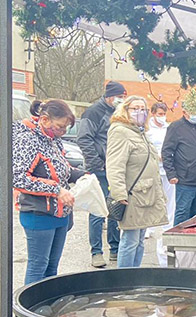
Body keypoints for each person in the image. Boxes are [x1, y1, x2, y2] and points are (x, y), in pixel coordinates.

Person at [13, 100, 83, 284]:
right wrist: (56, 190)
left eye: (66, 128)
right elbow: (19, 178)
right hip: (38, 213)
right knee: (38, 266)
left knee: (52, 267)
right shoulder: (26, 140)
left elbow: (63, 170)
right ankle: (28, 310)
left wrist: (82, 176)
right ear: (44, 120)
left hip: (61, 213)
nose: (62, 132)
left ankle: (47, 308)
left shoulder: (54, 141)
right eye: (60, 127)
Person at [106, 96, 168, 268]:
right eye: (135, 108)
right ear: (125, 110)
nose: (140, 112)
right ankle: (124, 278)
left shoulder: (140, 132)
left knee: (140, 240)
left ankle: (135, 274)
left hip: (145, 194)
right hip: (132, 195)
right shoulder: (120, 131)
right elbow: (115, 164)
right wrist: (119, 193)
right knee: (130, 240)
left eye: (143, 108)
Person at [77, 80, 127, 268]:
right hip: (99, 169)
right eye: (119, 96)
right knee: (97, 210)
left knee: (114, 210)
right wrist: (97, 164)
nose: (121, 99)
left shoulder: (119, 113)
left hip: (115, 169)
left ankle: (115, 248)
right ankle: (96, 252)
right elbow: (84, 139)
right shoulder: (93, 112)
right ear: (109, 96)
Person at [162, 94, 196, 226]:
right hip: (185, 179)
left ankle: (193, 240)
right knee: (183, 211)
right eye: (192, 111)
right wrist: (171, 173)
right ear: (184, 112)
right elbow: (167, 151)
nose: (195, 115)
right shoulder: (176, 127)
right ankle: (177, 241)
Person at [145, 102, 175, 266]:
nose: (162, 116)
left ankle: (168, 224)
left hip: (168, 169)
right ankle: (149, 227)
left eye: (164, 113)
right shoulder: (147, 132)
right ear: (153, 113)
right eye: (159, 113)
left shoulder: (169, 129)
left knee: (170, 200)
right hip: (154, 169)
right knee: (152, 198)